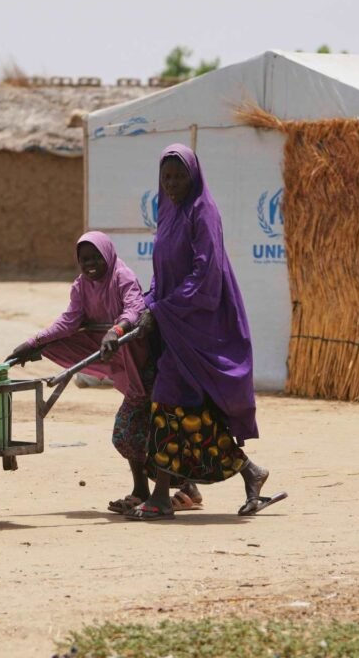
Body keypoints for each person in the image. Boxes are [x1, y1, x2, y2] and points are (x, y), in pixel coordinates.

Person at [124, 143, 278, 521]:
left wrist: (161, 309)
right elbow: (163, 274)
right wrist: (145, 307)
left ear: (193, 176)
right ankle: (250, 472)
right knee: (189, 410)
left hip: (201, 323)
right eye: (167, 177)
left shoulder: (202, 211)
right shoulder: (168, 212)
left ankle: (161, 496)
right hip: (174, 323)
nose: (172, 184)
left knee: (167, 399)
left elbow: (205, 275)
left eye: (180, 176)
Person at [6, 231, 160, 511]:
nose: (90, 265)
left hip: (146, 363)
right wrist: (34, 343)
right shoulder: (81, 286)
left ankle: (161, 491)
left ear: (108, 255)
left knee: (136, 432)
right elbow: (68, 322)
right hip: (122, 364)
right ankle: (154, 491)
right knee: (141, 432)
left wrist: (115, 331)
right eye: (84, 260)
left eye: (96, 258)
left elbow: (135, 309)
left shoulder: (122, 277)